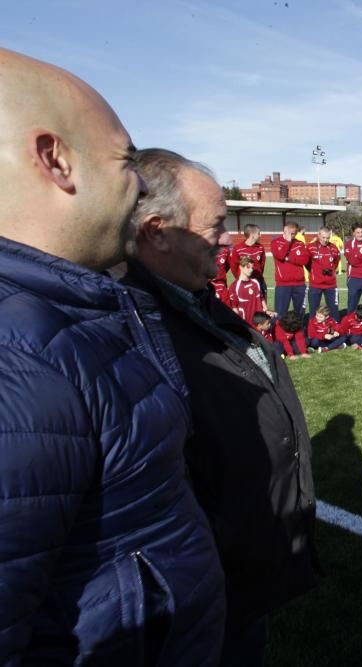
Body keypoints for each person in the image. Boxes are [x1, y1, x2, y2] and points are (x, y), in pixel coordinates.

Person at [0, 47, 225, 664]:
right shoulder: (18, 359)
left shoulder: (78, 306)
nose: (143, 186)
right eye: (127, 161)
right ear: (56, 160)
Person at [125, 148, 320, 663]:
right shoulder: (131, 325)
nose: (230, 237)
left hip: (242, 567)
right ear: (158, 230)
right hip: (203, 581)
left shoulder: (192, 295)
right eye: (215, 226)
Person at [272, 221, 309, 317]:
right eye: (290, 233)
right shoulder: (275, 242)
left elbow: (304, 260)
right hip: (283, 285)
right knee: (280, 314)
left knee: (300, 313)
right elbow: (280, 256)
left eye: (294, 233)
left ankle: (299, 332)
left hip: (300, 284)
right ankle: (279, 332)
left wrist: (289, 258)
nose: (292, 235)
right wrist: (287, 242)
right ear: (285, 230)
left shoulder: (300, 244)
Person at [308, 226, 341, 321]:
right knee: (313, 310)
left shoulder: (334, 248)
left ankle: (335, 331)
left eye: (327, 238)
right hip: (315, 285)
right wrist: (316, 273)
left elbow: (336, 262)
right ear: (318, 236)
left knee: (334, 310)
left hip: (331, 285)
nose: (325, 240)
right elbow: (307, 263)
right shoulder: (310, 247)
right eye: (323, 237)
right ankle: (313, 332)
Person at [229, 255, 268, 325]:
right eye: (248, 267)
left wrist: (266, 310)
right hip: (245, 323)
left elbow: (261, 299)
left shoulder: (255, 282)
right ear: (241, 267)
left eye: (252, 268)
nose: (251, 270)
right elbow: (234, 307)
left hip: (259, 322)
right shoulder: (234, 286)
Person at [231, 223, 268, 297]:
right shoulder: (237, 248)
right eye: (259, 233)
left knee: (261, 307)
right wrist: (242, 278)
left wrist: (258, 276)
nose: (260, 235)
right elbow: (234, 267)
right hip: (243, 283)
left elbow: (262, 265)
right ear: (252, 235)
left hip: (259, 282)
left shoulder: (260, 248)